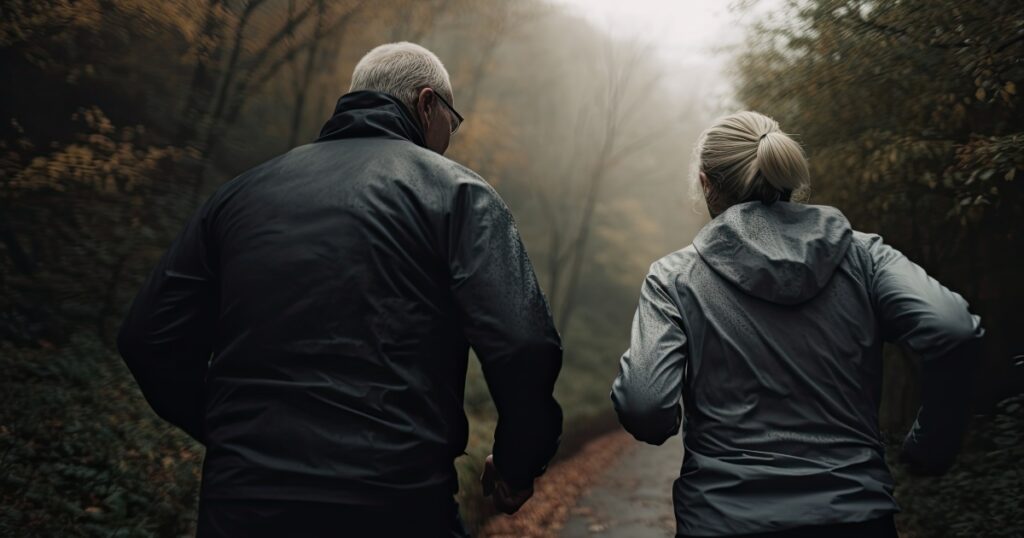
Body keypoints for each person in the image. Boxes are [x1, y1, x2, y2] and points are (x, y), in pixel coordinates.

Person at [118, 42, 562, 537]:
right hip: (395, 506)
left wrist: (233, 438)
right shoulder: (457, 194)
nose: (449, 140)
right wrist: (520, 464)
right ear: (426, 103)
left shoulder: (238, 196)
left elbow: (146, 339)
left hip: (242, 507)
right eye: (451, 123)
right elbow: (524, 344)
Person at [610, 111, 984, 537]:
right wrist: (931, 446)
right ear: (784, 173)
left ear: (706, 182)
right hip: (855, 517)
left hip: (723, 519)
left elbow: (644, 406)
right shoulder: (863, 257)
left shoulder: (675, 277)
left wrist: (663, 426)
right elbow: (954, 330)